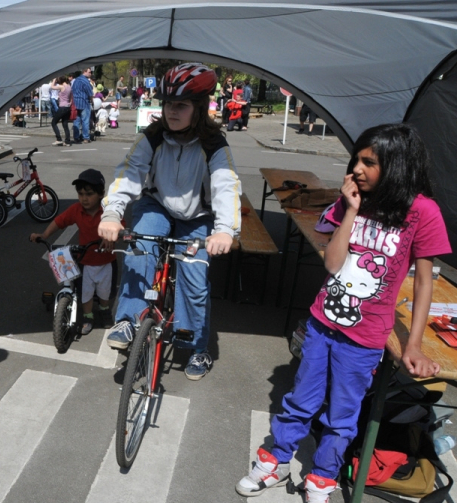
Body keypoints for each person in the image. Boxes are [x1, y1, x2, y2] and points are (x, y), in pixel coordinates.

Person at [236, 123, 451, 502]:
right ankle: (276, 459)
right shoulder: (353, 199)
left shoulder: (423, 211)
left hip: (366, 337)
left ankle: (323, 476)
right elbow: (334, 266)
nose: (357, 169)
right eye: (357, 159)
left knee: (342, 414)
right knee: (300, 399)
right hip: (323, 323)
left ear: (397, 165)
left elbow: (423, 282)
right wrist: (351, 209)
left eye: (369, 162)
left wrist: (413, 345)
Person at [98, 63, 241, 380]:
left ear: (199, 108)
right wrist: (111, 213)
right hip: (157, 204)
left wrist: (225, 230)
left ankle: (196, 346)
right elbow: (129, 172)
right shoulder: (152, 135)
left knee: (194, 278)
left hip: (197, 216)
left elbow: (226, 186)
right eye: (167, 104)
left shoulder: (214, 144)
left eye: (181, 105)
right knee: (140, 248)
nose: (171, 111)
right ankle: (128, 320)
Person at [31, 169, 121, 334]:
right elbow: (59, 221)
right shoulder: (76, 209)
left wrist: (112, 236)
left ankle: (104, 311)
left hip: (106, 261)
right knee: (85, 293)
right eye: (80, 194)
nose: (84, 198)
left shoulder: (108, 211)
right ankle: (88, 316)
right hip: (85, 262)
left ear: (101, 193)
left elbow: (119, 224)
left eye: (89, 194)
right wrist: (43, 235)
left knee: (105, 293)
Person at [71, 67, 94, 143]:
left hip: (76, 102)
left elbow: (72, 90)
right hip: (84, 102)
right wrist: (92, 101)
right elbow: (90, 93)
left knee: (77, 121)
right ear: (85, 71)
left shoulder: (76, 80)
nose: (90, 74)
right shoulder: (86, 81)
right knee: (85, 120)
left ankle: (76, 137)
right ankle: (86, 137)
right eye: (89, 72)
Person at [51, 75, 72, 146]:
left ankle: (58, 139)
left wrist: (54, 80)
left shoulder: (62, 86)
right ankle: (67, 141)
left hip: (62, 107)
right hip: (67, 107)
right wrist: (69, 103)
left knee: (54, 122)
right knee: (65, 124)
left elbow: (52, 87)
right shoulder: (69, 86)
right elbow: (71, 97)